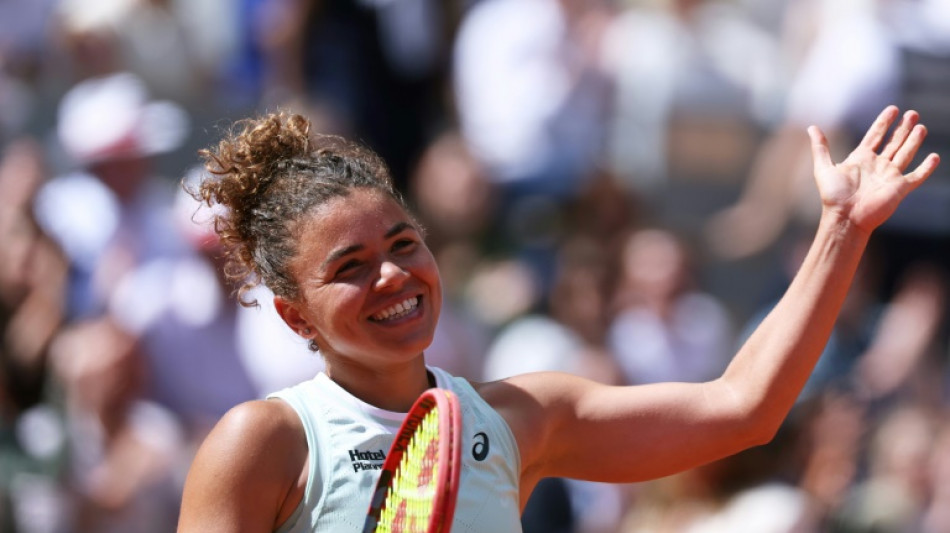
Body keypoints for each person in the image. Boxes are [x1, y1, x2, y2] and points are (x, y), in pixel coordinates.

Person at [177, 105, 939, 532]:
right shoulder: (263, 442)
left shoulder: (519, 418)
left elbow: (743, 408)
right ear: (294, 314)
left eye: (405, 243)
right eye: (348, 267)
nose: (392, 275)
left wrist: (842, 228)